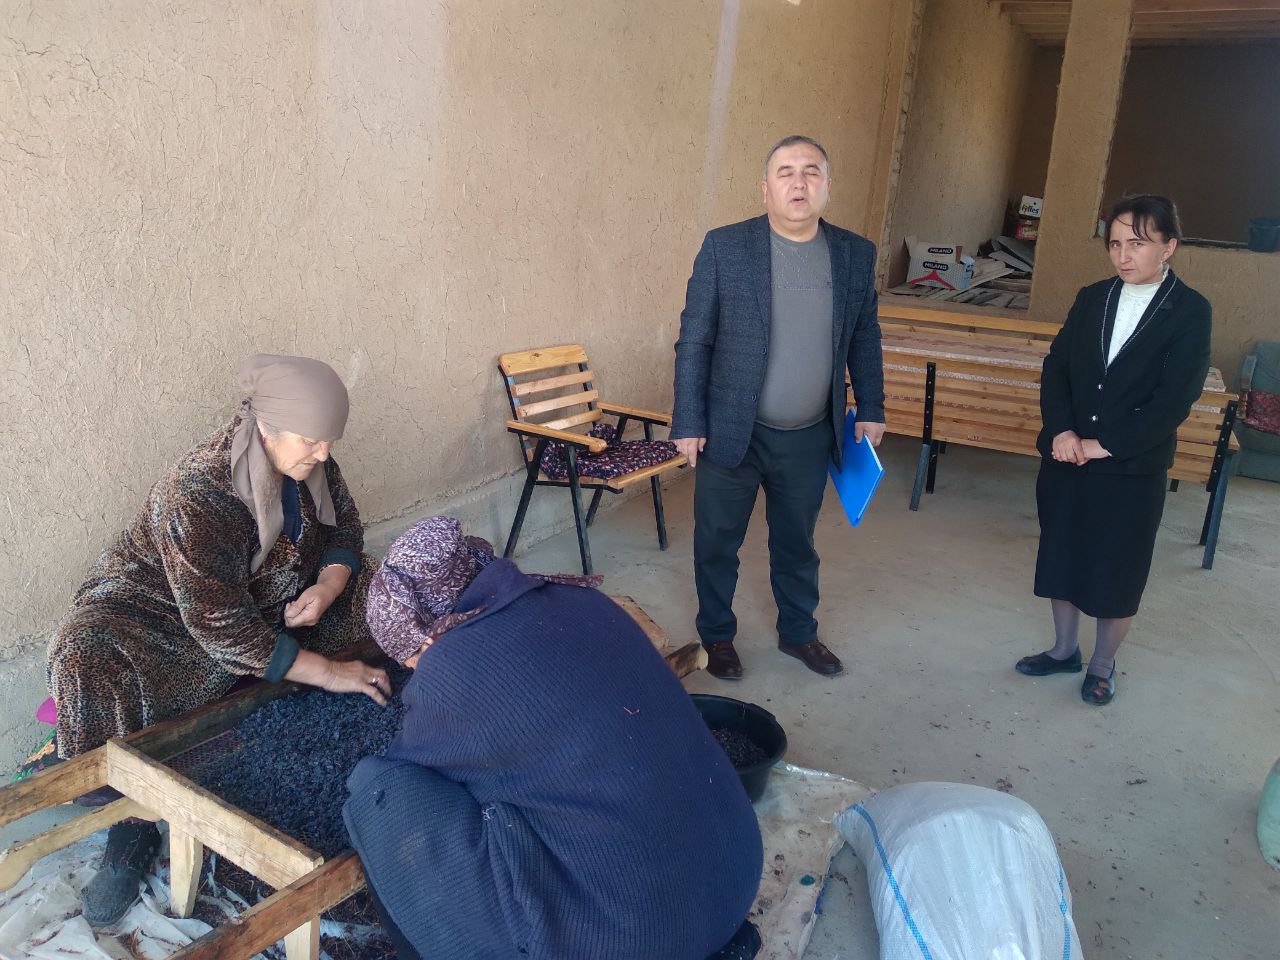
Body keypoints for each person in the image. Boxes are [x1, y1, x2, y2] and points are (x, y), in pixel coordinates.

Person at [46, 354, 389, 926]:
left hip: (268, 600)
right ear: (267, 429)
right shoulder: (197, 492)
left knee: (381, 587)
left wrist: (328, 587)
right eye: (312, 441)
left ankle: (311, 699)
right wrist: (331, 672)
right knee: (88, 655)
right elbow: (218, 623)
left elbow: (346, 530)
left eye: (330, 441)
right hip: (161, 616)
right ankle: (129, 825)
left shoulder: (313, 462)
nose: (324, 453)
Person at [345, 517, 764, 960]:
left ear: (428, 634)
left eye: (410, 657)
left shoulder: (455, 667)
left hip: (637, 937)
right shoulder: (586, 599)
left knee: (377, 794)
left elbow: (407, 774)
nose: (413, 670)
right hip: (734, 876)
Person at [670, 135, 885, 680]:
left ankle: (799, 633)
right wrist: (688, 421)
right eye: (785, 172)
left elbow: (865, 336)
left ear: (827, 187)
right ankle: (717, 636)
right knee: (717, 541)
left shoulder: (854, 254)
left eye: (811, 171)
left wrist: (873, 405)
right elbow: (695, 339)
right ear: (765, 188)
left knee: (797, 543)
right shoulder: (725, 247)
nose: (798, 182)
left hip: (810, 434)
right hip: (730, 430)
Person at [1015, 195, 1211, 705]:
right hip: (1067, 457)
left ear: (1169, 247)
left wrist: (1106, 445)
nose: (1124, 255)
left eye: (1138, 244)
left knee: (1117, 566)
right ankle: (1064, 650)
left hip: (1131, 468)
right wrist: (1061, 431)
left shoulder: (1190, 310)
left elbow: (1175, 397)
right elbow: (1057, 367)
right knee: (1061, 554)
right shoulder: (1093, 298)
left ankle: (1102, 665)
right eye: (1116, 244)